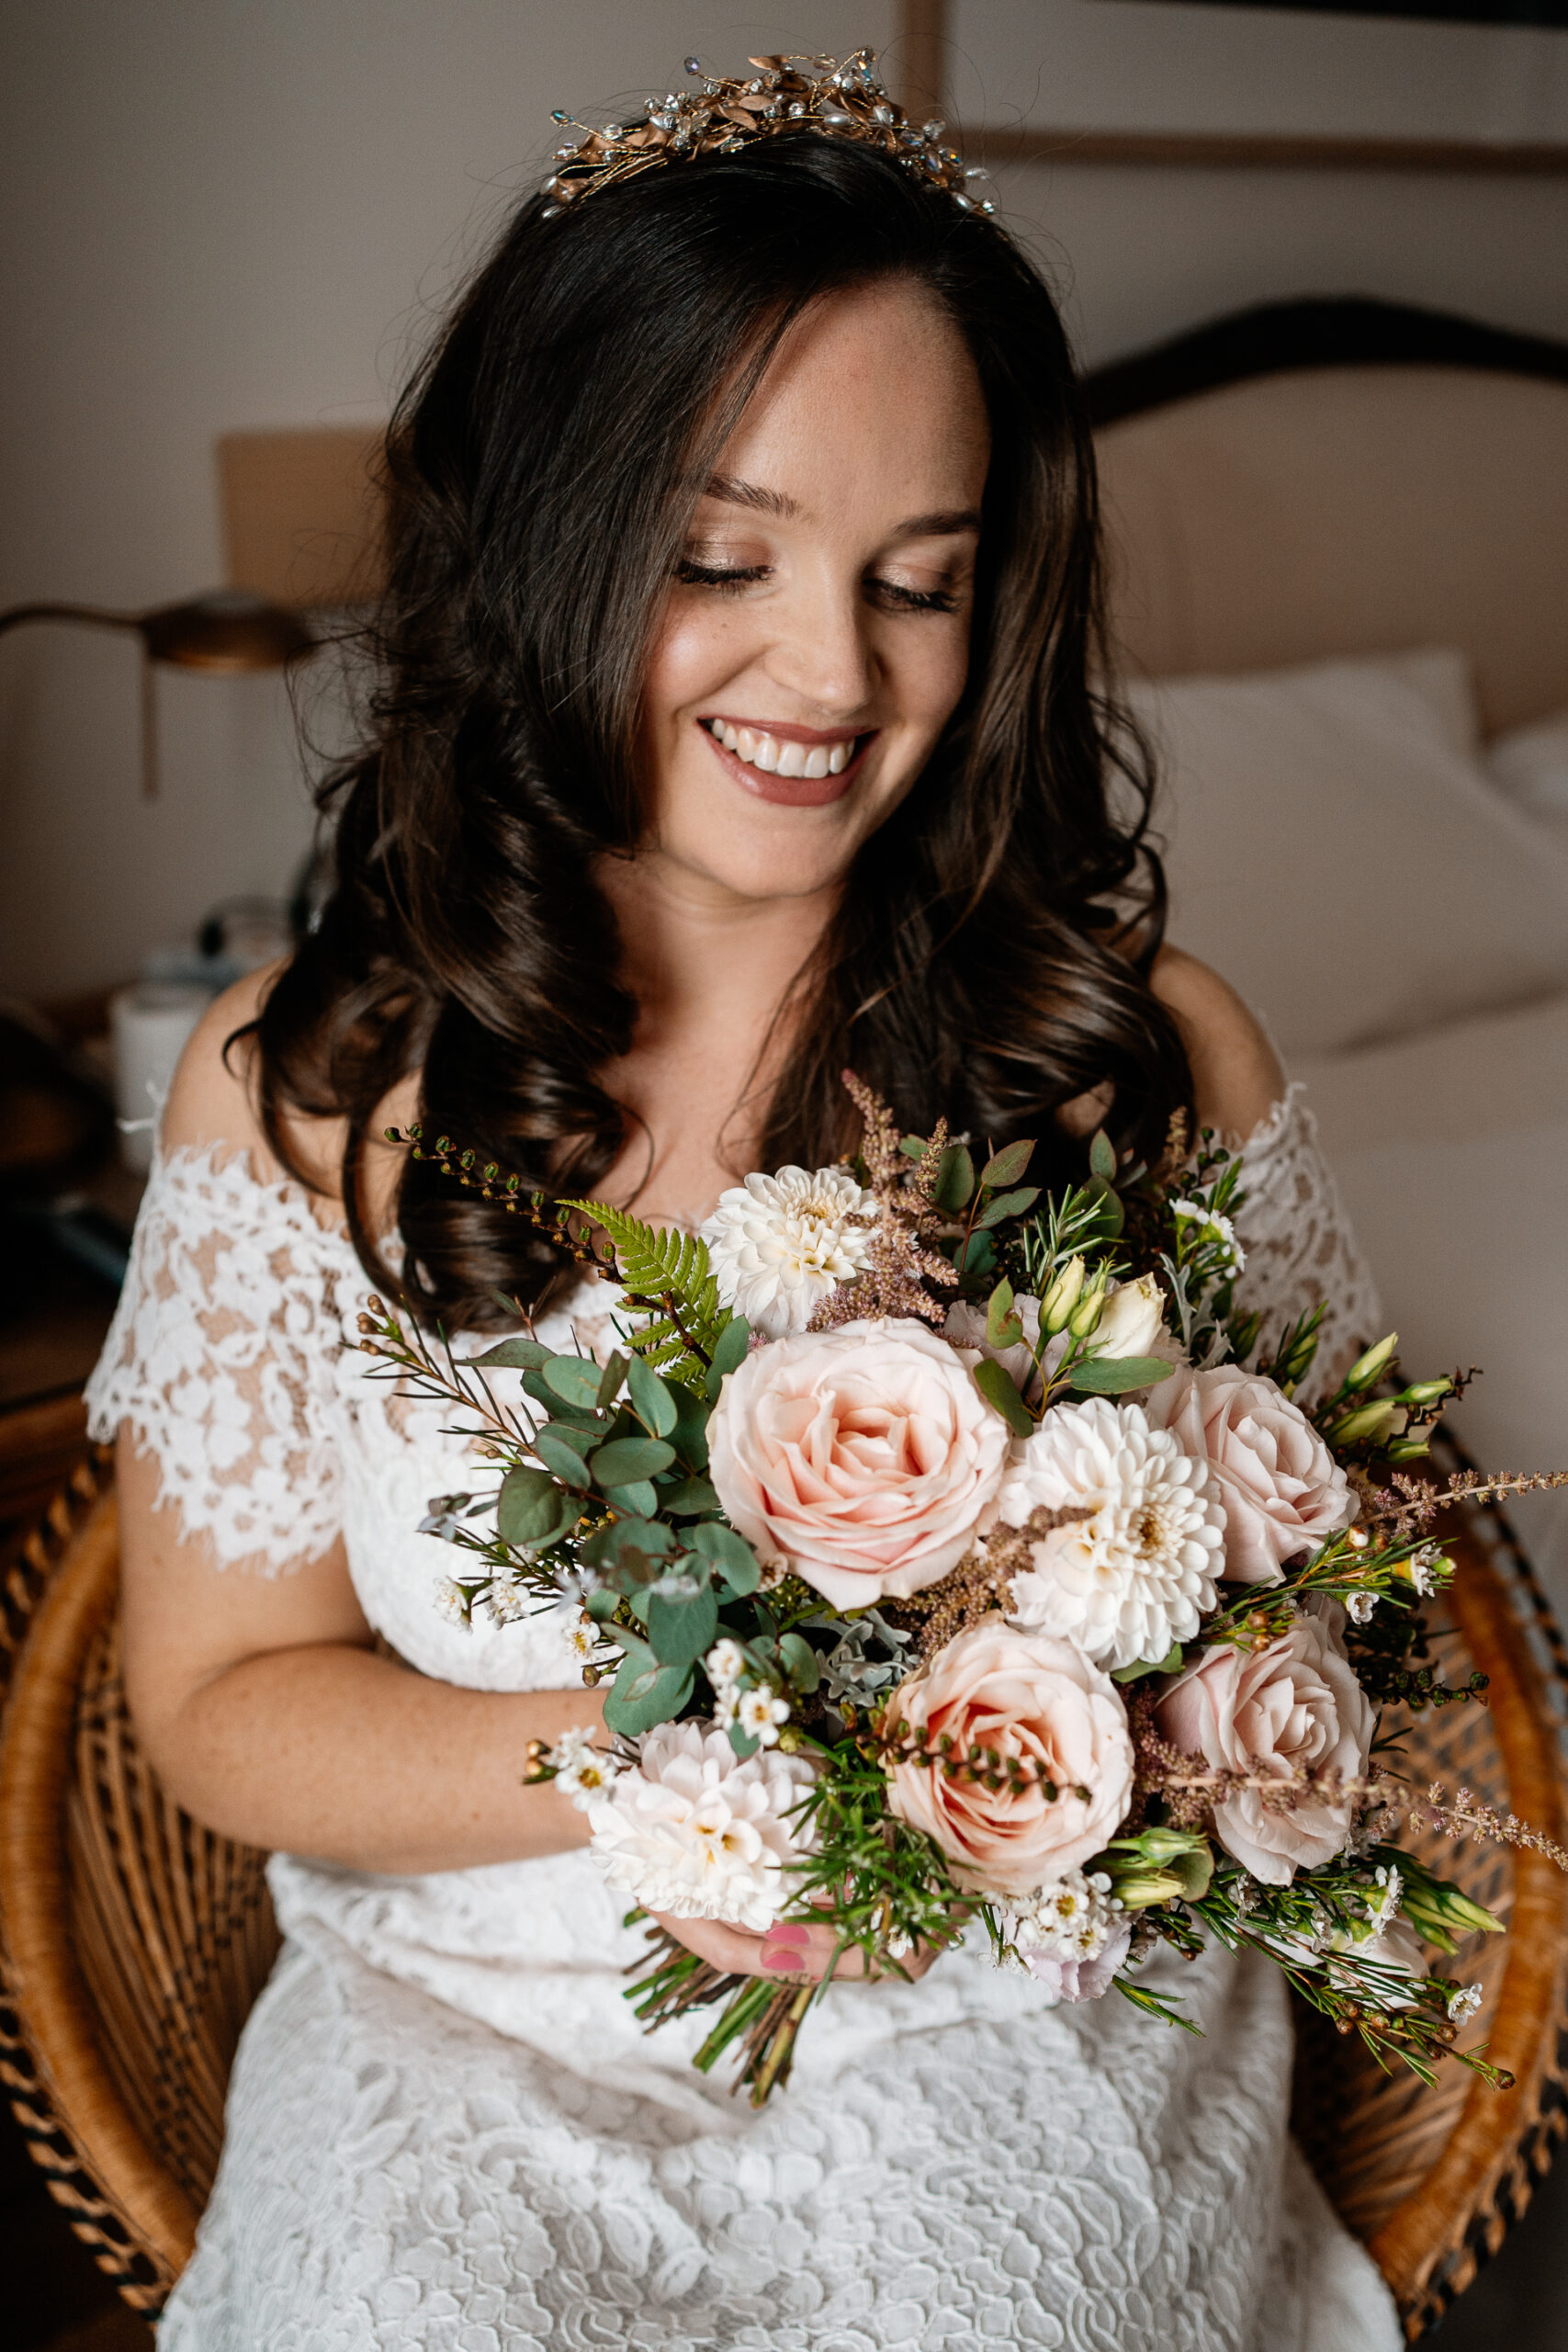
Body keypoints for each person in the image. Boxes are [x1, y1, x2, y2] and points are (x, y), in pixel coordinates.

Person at [88, 52, 1396, 2351]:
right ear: (548, 542)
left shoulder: (1141, 1058)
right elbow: (212, 1699)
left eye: (921, 582)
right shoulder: (317, 1087)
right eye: (718, 560)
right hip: (466, 2024)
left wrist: (1113, 1705)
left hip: (1004, 2016)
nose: (830, 673)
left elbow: (1321, 1588)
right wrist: (706, 1756)